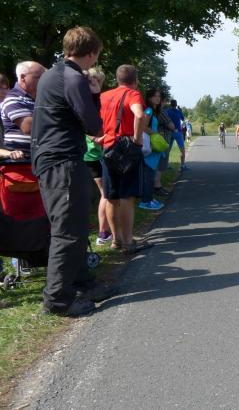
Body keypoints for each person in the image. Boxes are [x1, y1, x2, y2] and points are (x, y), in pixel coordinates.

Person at [31, 26, 107, 316]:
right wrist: (95, 94)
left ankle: (84, 283)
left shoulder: (52, 74)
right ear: (92, 53)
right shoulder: (74, 78)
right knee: (68, 231)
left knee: (73, 226)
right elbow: (93, 126)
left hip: (52, 158)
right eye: (97, 55)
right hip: (62, 160)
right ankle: (57, 300)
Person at [99, 64, 150, 255]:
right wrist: (137, 139)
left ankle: (116, 240)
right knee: (127, 197)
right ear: (135, 81)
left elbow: (95, 121)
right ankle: (128, 241)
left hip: (108, 148)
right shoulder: (133, 94)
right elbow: (139, 115)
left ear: (117, 79)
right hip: (126, 149)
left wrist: (100, 137)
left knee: (111, 197)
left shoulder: (104, 96)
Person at [82, 67, 112, 245]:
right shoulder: (90, 102)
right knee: (106, 193)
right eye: (97, 81)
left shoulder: (82, 100)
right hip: (93, 154)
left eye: (100, 81)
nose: (99, 85)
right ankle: (103, 233)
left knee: (88, 195)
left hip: (85, 153)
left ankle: (97, 230)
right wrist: (97, 138)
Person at [1, 61, 46, 158]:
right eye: (39, 77)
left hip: (41, 159)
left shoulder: (43, 99)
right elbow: (30, 128)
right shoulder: (12, 98)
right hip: (20, 161)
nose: (44, 81)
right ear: (22, 77)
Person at [139, 89, 165, 211]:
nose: (157, 98)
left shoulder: (153, 111)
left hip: (152, 146)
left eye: (159, 96)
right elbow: (142, 127)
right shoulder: (148, 110)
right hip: (148, 146)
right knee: (148, 175)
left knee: (151, 173)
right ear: (149, 98)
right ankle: (146, 201)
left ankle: (149, 198)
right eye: (155, 96)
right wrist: (156, 134)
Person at [165, 99, 188, 171]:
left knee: (167, 149)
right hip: (178, 132)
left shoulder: (167, 111)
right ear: (176, 104)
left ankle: (166, 165)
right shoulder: (178, 111)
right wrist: (180, 110)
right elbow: (182, 118)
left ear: (170, 104)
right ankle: (182, 166)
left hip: (169, 131)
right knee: (182, 149)